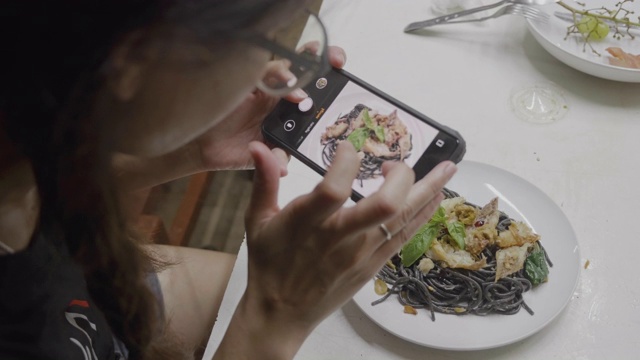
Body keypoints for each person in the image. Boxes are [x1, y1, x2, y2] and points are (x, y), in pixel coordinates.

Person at [0, 1, 457, 359]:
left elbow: (45, 193)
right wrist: (269, 320)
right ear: (132, 65)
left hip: (102, 301)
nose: (275, 65)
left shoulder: (24, 132)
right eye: (267, 38)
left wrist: (190, 148)